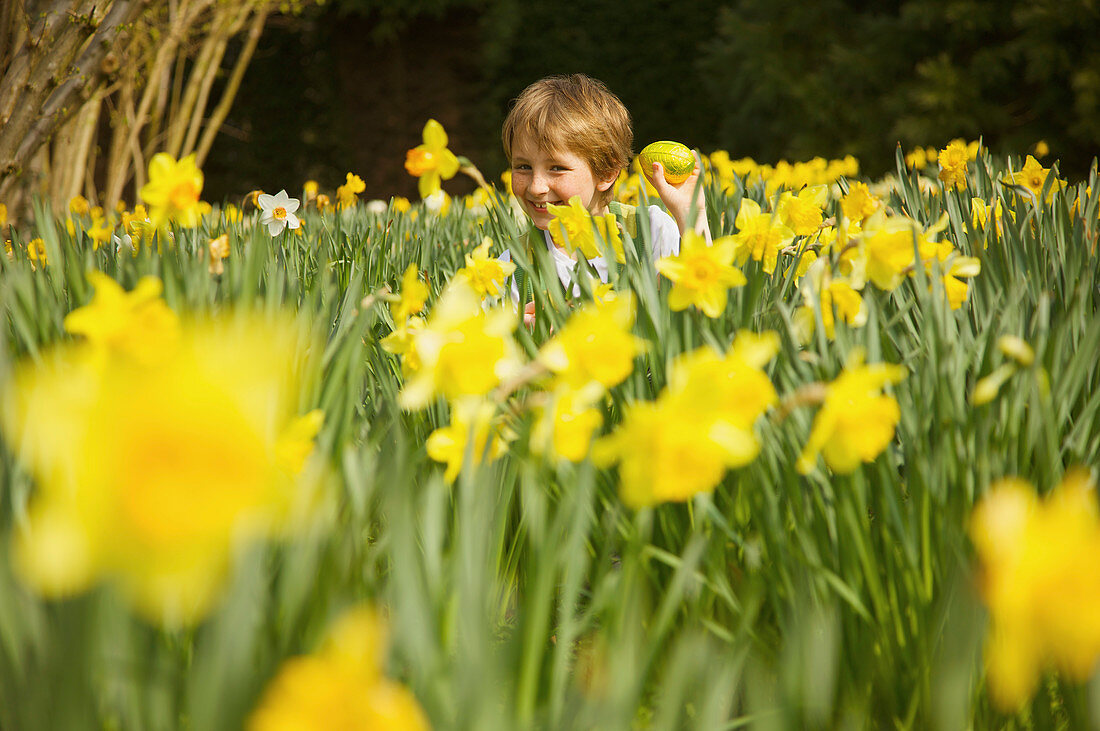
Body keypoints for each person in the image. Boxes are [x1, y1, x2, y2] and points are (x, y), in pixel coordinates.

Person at [498, 74, 711, 324]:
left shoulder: (650, 231)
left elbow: (700, 316)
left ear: (606, 172)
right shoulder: (513, 266)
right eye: (523, 167)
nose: (536, 187)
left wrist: (690, 215)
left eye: (556, 168)